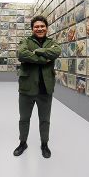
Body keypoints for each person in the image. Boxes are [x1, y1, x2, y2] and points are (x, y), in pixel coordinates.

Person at [13, 15, 61, 158]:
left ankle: (44, 144)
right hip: (26, 88)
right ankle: (23, 143)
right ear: (32, 28)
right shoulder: (25, 41)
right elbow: (21, 54)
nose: (39, 29)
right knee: (24, 119)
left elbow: (56, 52)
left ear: (46, 28)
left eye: (42, 26)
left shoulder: (53, 42)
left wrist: (38, 51)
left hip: (45, 89)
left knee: (45, 120)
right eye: (36, 27)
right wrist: (44, 59)